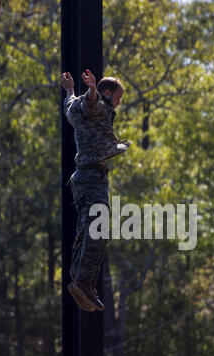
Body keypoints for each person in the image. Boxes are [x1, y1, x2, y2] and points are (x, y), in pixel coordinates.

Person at [61, 69, 130, 312]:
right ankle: (83, 281)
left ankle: (79, 279)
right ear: (108, 93)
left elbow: (70, 104)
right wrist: (91, 89)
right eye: (118, 97)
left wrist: (70, 89)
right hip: (92, 177)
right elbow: (93, 103)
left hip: (81, 178)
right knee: (99, 230)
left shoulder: (76, 110)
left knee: (86, 229)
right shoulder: (97, 106)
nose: (119, 103)